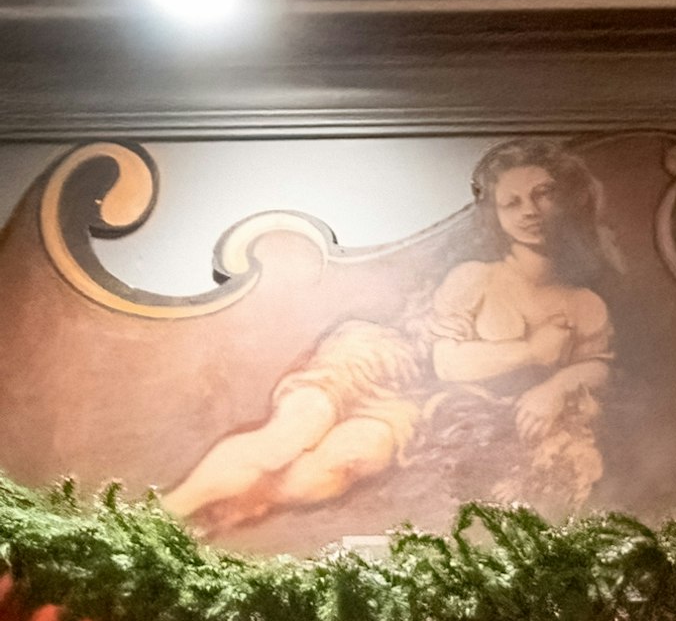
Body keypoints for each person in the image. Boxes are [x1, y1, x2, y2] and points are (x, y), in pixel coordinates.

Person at [166, 140, 619, 531]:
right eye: (512, 203)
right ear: (496, 215)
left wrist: (558, 387)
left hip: (424, 406)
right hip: (383, 363)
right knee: (289, 434)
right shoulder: (476, 277)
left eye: (543, 196)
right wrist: (533, 353)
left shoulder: (584, 304)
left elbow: (598, 365)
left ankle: (231, 510)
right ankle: (161, 516)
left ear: (568, 202)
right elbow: (446, 362)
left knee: (342, 461)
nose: (530, 213)